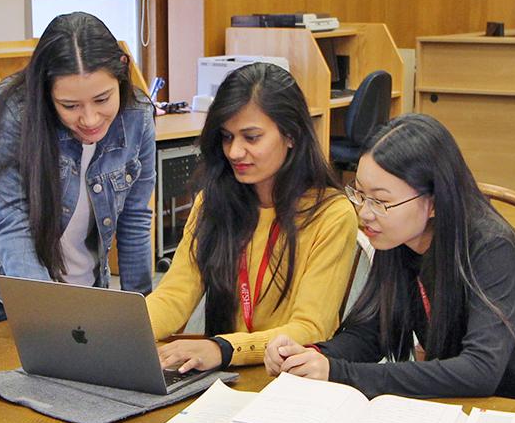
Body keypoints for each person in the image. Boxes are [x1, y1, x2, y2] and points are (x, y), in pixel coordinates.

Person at [264, 113, 515, 413]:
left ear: (433, 202)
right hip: (487, 408)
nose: (364, 213)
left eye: (380, 201)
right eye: (359, 194)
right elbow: (370, 333)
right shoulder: (398, 238)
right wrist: (310, 357)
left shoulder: (490, 247)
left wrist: (339, 373)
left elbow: (479, 370)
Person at [149, 62, 358, 373]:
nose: (234, 152)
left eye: (251, 137)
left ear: (291, 136)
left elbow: (312, 327)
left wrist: (224, 348)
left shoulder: (331, 214)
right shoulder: (213, 201)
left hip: (287, 376)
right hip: (220, 370)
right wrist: (119, 332)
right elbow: (175, 294)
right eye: (227, 137)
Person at [0, 12, 155, 332]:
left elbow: (135, 218)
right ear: (46, 90)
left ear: (122, 72)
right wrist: (46, 320)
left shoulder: (138, 117)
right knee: (7, 381)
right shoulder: (13, 111)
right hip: (2, 285)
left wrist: (144, 316)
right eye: (70, 105)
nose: (90, 119)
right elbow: (11, 222)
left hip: (85, 286)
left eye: (102, 99)